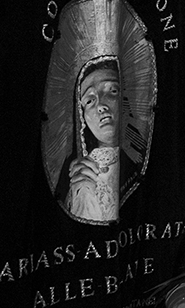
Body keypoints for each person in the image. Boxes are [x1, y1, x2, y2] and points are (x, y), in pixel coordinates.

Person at [55, 57, 139, 224]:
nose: (101, 105)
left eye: (112, 91)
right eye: (89, 100)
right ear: (82, 117)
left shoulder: (143, 159)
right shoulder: (74, 174)